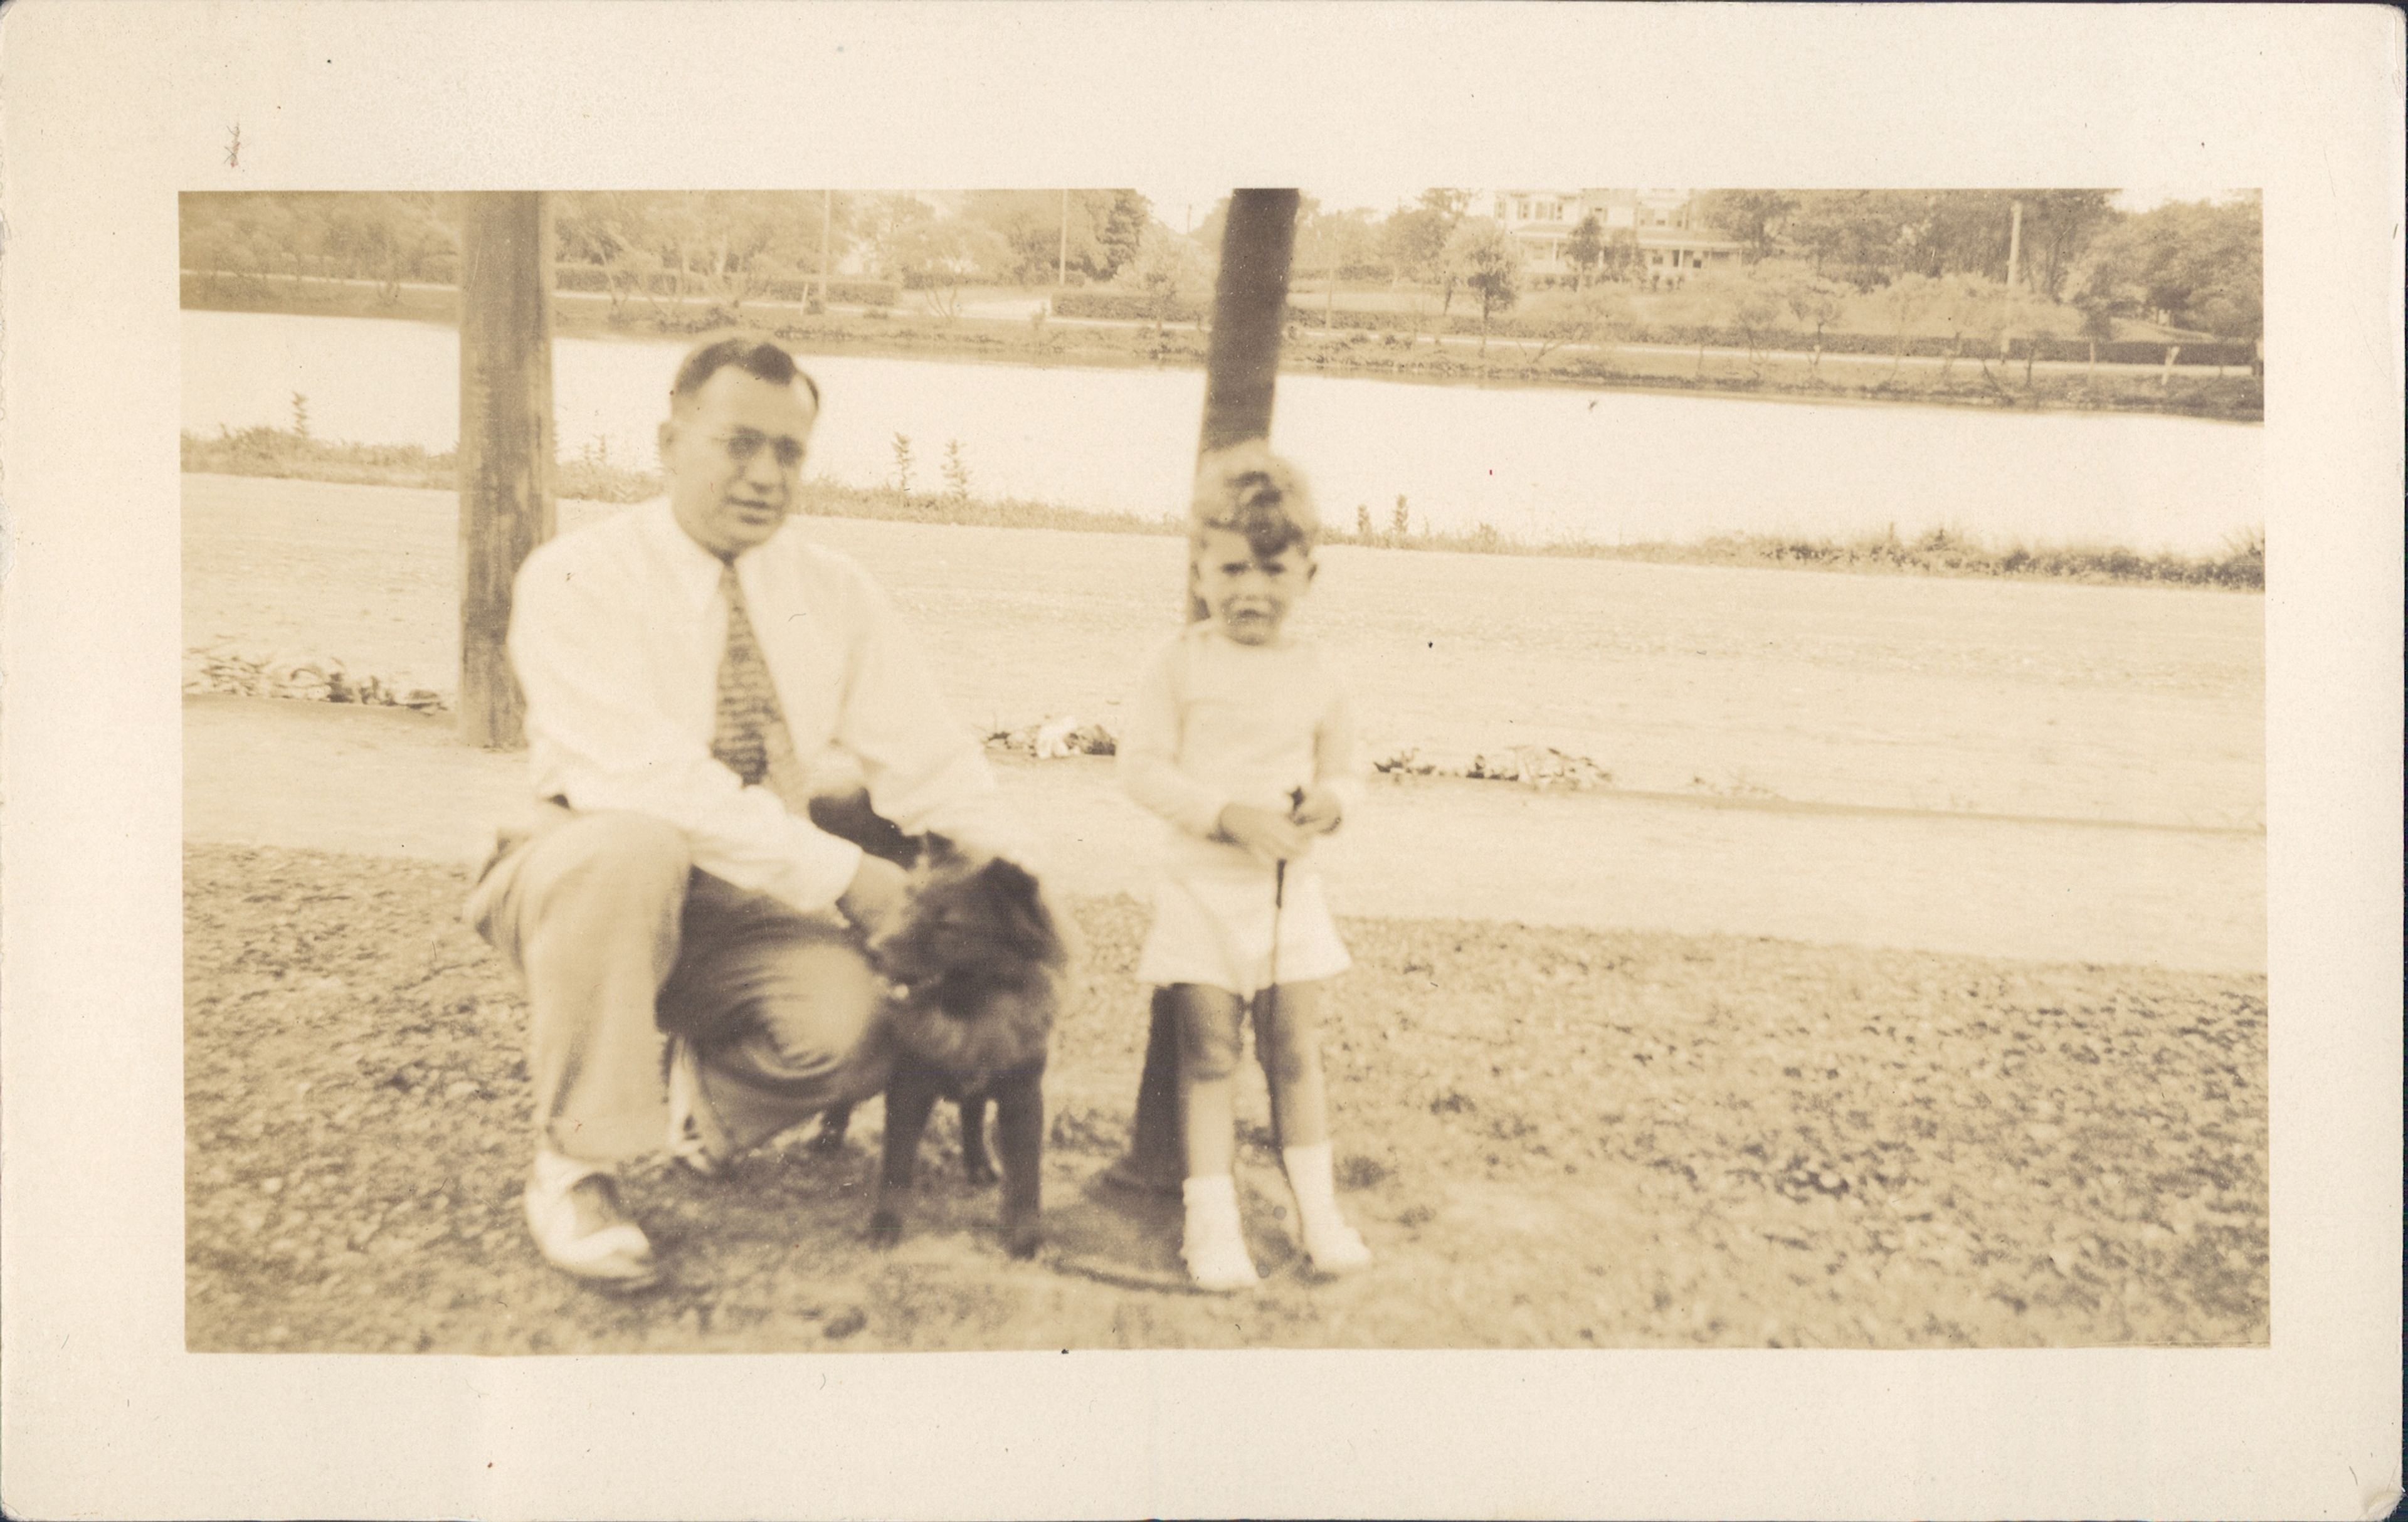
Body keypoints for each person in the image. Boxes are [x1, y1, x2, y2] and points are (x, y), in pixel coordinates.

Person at [465, 337, 1038, 1288]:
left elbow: (933, 765)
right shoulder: (577, 576)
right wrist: (848, 876)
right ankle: (576, 1170)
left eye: (790, 453)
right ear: (669, 441)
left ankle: (707, 1103)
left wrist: (1026, 898)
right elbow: (646, 781)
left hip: (745, 905)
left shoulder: (833, 593)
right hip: (582, 876)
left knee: (869, 1025)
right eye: (738, 445)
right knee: (634, 845)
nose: (766, 476)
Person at [1117, 443, 1374, 1291]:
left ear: (1309, 572)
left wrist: (1329, 805)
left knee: (1295, 1054)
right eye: (1230, 569)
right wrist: (1227, 816)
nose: (1251, 590)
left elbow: (1346, 773)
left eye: (1272, 569)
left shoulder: (1321, 673)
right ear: (1198, 567)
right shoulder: (1178, 662)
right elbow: (1143, 769)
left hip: (1287, 891)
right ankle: (1211, 1225)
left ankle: (1318, 1215)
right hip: (1198, 888)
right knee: (1208, 1056)